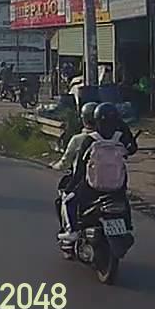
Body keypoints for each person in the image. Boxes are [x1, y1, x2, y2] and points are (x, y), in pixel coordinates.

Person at [57, 102, 130, 242]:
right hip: (117, 186)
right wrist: (123, 128)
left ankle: (72, 231)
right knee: (123, 200)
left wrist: (70, 187)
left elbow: (80, 168)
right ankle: (127, 225)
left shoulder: (90, 140)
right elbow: (132, 149)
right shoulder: (120, 138)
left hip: (93, 187)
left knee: (68, 200)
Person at [53, 102, 99, 172]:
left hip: (82, 177)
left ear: (83, 119)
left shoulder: (77, 139)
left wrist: (54, 166)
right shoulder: (109, 138)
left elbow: (64, 163)